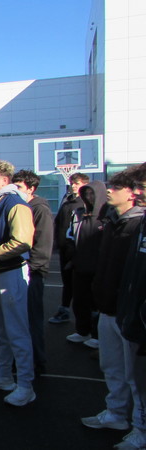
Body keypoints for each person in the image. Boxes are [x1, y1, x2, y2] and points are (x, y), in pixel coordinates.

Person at [81, 168, 145, 439]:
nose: (109, 190)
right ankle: (116, 414)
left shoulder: (138, 225)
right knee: (112, 367)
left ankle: (140, 429)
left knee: (135, 377)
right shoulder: (111, 221)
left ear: (132, 194)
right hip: (108, 307)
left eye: (116, 187)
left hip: (128, 312)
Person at [0, 159, 36, 406]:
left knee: (16, 331)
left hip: (9, 272)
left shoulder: (14, 202)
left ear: (5, 179)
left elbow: (23, 241)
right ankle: (3, 374)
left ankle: (26, 385)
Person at [115, 162, 146, 450]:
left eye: (142, 187)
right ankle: (139, 427)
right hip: (134, 316)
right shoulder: (143, 223)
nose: (137, 192)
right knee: (136, 379)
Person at [12, 170, 54, 374]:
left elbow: (43, 242)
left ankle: (37, 360)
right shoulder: (19, 207)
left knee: (32, 317)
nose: (16, 191)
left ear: (31, 189)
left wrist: (33, 268)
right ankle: (19, 355)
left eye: (19, 187)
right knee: (17, 317)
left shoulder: (39, 209)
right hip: (17, 270)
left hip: (31, 272)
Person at [65, 181, 107, 347]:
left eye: (91, 194)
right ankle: (82, 331)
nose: (88, 197)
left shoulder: (106, 216)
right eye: (85, 194)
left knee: (97, 304)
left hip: (99, 268)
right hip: (80, 266)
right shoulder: (78, 214)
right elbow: (70, 236)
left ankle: (97, 335)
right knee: (80, 301)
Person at [49, 172, 90, 324]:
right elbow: (59, 223)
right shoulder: (67, 202)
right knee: (67, 283)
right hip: (64, 250)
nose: (73, 186)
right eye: (72, 183)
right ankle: (64, 310)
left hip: (78, 251)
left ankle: (86, 319)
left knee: (80, 285)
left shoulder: (85, 204)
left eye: (77, 183)